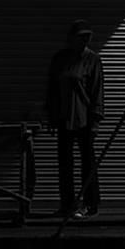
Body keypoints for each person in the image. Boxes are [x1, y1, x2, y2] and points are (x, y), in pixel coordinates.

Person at [46, 19, 104, 219]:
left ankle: (90, 204)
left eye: (88, 37)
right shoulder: (60, 59)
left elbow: (97, 91)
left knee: (87, 162)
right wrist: (51, 115)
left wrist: (95, 120)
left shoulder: (92, 59)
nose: (85, 40)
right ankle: (67, 205)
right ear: (71, 38)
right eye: (81, 36)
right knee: (65, 163)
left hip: (84, 118)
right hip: (64, 118)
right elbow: (52, 89)